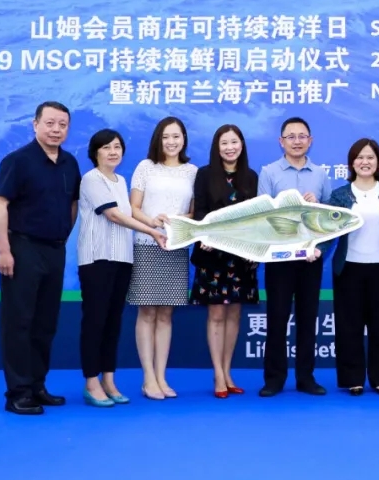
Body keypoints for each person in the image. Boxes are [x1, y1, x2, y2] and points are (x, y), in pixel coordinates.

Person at [0, 101, 82, 415]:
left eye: (62, 125)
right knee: (19, 322)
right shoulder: (17, 161)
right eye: (50, 123)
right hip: (22, 248)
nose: (56, 130)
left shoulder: (70, 162)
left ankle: (37, 385)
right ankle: (17, 393)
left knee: (45, 323)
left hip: (55, 249)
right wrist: (4, 250)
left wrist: (63, 236)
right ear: (35, 124)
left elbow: (72, 204)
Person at [76, 129, 164, 407]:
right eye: (106, 147)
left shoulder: (121, 180)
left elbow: (128, 213)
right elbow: (114, 215)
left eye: (117, 147)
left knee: (113, 321)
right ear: (95, 153)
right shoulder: (91, 179)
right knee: (95, 321)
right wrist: (152, 232)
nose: (113, 152)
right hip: (96, 259)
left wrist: (153, 222)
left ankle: (109, 380)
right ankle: (91, 383)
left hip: (122, 258)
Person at [321, 138, 379, 396]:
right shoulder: (340, 195)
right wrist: (316, 250)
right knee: (349, 326)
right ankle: (352, 378)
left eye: (370, 157)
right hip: (349, 268)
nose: (364, 162)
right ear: (351, 162)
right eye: (359, 157)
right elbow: (328, 230)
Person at [256, 117, 332, 397]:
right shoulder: (269, 172)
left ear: (310, 141)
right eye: (291, 136)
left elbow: (329, 219)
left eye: (302, 136)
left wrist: (317, 208)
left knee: (307, 319)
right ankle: (274, 379)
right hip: (279, 259)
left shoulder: (320, 174)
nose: (297, 141)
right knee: (277, 319)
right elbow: (263, 216)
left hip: (311, 258)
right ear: (281, 141)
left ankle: (306, 378)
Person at [126, 117, 198, 400]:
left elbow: (194, 213)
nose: (171, 142)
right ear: (158, 138)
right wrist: (152, 222)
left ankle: (161, 376)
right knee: (147, 312)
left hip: (175, 246)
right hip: (147, 243)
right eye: (166, 136)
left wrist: (179, 219)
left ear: (184, 139)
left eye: (176, 136)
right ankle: (148, 378)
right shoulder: (146, 167)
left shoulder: (192, 172)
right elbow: (133, 207)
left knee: (166, 313)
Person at [188, 124, 260, 398]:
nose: (230, 148)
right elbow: (200, 211)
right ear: (217, 148)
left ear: (242, 145)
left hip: (241, 256)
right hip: (213, 255)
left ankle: (228, 371)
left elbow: (256, 218)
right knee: (217, 314)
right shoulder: (205, 174)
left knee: (234, 314)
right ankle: (218, 373)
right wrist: (204, 235)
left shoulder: (251, 177)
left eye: (234, 142)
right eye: (224, 143)